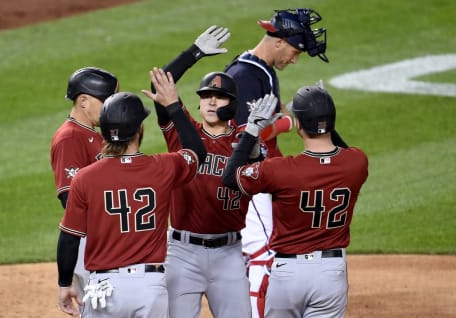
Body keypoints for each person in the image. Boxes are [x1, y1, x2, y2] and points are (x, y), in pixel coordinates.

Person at [56, 86, 207, 317]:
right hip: (149, 287)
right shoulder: (164, 167)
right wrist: (174, 107)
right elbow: (197, 151)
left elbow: (69, 238)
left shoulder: (84, 178)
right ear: (139, 129)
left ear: (104, 131)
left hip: (103, 287)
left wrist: (65, 283)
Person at [222, 84, 368, 317]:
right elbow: (342, 151)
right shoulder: (357, 163)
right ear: (331, 121)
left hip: (289, 274)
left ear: (298, 125)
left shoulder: (282, 171)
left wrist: (251, 131)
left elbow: (230, 178)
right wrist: (322, 112)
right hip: (332, 273)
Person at [223, 8, 329, 317]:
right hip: (248, 179)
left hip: (260, 176)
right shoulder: (244, 75)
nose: (295, 60)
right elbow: (242, 138)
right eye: (295, 52)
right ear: (279, 41)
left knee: (252, 257)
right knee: (264, 255)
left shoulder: (261, 71)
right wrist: (283, 123)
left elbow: (269, 123)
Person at [143, 26, 252, 318]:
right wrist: (194, 53)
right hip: (182, 252)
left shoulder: (246, 140)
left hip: (229, 252)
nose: (212, 101)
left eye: (220, 96)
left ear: (233, 104)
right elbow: (159, 88)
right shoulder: (184, 131)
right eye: (206, 96)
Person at [50, 66, 119, 308]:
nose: (111, 107)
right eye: (106, 101)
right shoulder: (70, 138)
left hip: (108, 240)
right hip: (91, 245)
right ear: (83, 101)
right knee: (100, 309)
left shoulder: (96, 134)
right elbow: (70, 201)